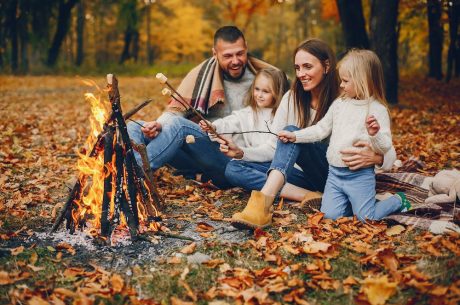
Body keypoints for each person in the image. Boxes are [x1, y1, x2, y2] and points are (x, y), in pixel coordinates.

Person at [229, 39, 398, 229]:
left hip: (333, 171)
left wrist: (376, 157)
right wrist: (242, 153)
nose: (301, 74)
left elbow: (391, 153)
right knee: (234, 168)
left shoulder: (346, 97)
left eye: (307, 67)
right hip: (302, 177)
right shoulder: (292, 98)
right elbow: (275, 147)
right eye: (297, 68)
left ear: (326, 66)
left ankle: (263, 204)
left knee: (293, 132)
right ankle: (311, 196)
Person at [127, 26, 279, 188]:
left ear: (246, 47)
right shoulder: (201, 76)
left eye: (240, 53)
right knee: (135, 127)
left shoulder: (262, 81)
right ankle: (131, 169)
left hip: (234, 158)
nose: (235, 61)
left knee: (179, 127)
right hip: (199, 148)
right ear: (215, 54)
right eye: (227, 56)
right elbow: (176, 111)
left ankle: (133, 173)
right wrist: (159, 125)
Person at [277, 49, 411, 222]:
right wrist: (295, 136)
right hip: (334, 174)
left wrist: (375, 135)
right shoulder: (340, 104)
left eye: (345, 81)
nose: (341, 85)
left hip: (359, 176)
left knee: (366, 218)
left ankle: (398, 200)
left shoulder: (377, 110)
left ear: (363, 81)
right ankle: (350, 203)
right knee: (330, 216)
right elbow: (320, 129)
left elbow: (384, 146)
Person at [199, 68, 289, 163]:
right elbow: (230, 122)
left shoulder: (280, 116)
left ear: (277, 93)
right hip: (246, 158)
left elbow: (271, 150)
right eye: (257, 89)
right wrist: (214, 127)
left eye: (265, 91)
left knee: (234, 169)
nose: (259, 95)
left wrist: (242, 153)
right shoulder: (249, 112)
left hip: (266, 164)